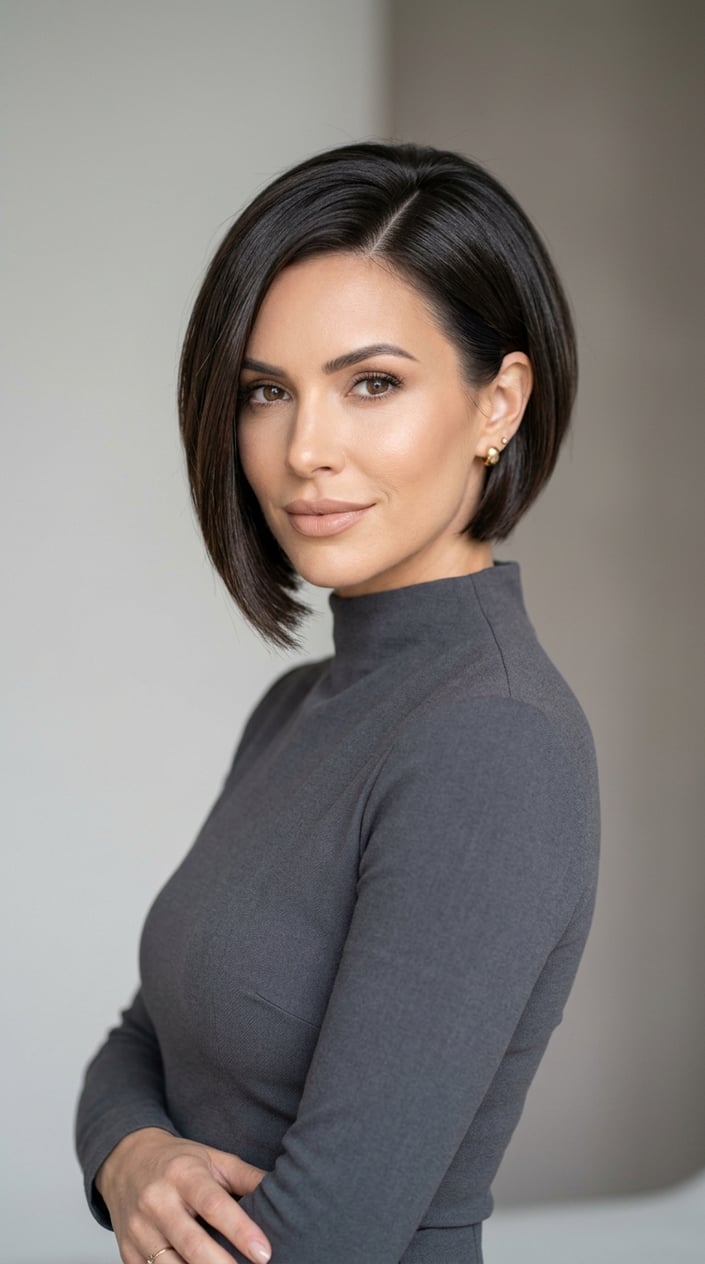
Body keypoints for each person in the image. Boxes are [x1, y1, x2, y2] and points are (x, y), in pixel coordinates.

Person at [75, 140, 600, 1264]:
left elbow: (330, 1236)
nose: (305, 450)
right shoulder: (298, 706)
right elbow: (139, 1040)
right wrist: (130, 1158)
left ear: (497, 403)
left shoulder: (492, 742)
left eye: (373, 383)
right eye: (268, 392)